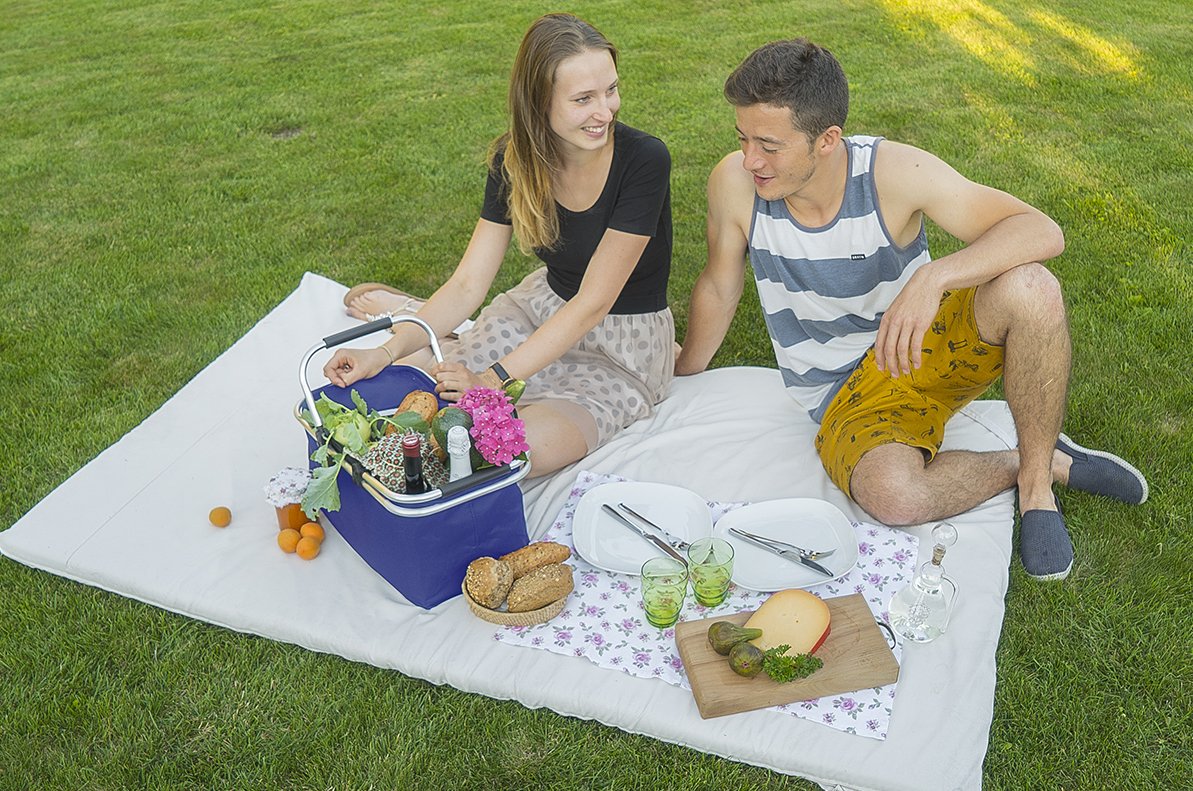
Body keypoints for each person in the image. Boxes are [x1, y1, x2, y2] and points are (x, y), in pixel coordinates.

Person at [676, 38, 1147, 580]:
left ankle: (1037, 491)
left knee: (1032, 287)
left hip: (919, 348)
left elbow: (1041, 230)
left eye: (769, 145)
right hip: (842, 395)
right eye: (742, 138)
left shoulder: (892, 173)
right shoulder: (734, 185)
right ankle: (1038, 461)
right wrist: (686, 364)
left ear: (827, 140)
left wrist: (935, 275)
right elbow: (718, 284)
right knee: (895, 498)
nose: (749, 159)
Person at [324, 13, 675, 478]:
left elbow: (593, 303)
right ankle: (434, 336)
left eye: (610, 90)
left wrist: (491, 381)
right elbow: (469, 283)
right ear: (539, 102)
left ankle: (440, 337)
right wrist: (382, 352)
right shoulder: (513, 160)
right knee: (428, 417)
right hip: (539, 315)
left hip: (619, 349)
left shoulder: (643, 160)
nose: (605, 112)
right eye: (583, 99)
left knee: (507, 454)